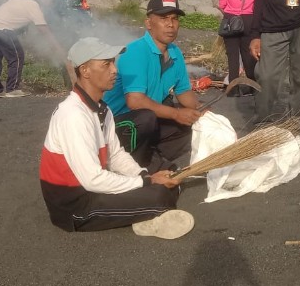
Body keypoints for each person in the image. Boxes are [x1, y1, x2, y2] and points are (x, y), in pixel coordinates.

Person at [40, 36, 193, 239]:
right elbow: (93, 179)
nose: (115, 70)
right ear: (85, 71)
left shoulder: (102, 108)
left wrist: (145, 176)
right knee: (160, 194)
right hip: (75, 205)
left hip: (91, 190)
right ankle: (149, 215)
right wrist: (147, 183)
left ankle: (146, 213)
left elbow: (116, 155)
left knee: (168, 177)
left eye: (113, 62)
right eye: (106, 64)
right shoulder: (73, 115)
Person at [104, 0, 203, 168]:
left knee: (193, 126)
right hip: (116, 124)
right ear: (149, 23)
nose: (170, 24)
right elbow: (135, 102)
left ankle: (149, 156)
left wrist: (200, 110)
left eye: (174, 19)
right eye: (163, 18)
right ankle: (133, 165)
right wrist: (176, 114)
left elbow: (184, 92)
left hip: (144, 122)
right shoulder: (135, 51)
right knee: (148, 116)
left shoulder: (175, 53)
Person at [0, 0, 65, 98]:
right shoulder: (34, 8)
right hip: (3, 27)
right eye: (52, 0)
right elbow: (45, 31)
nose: (51, 3)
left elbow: (17, 9)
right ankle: (12, 89)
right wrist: (58, 48)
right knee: (17, 57)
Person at [217, 0, 257, 92]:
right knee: (248, 56)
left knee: (233, 57)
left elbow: (221, 5)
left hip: (231, 20)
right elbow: (257, 5)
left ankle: (233, 90)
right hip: (249, 20)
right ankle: (253, 88)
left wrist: (230, 13)